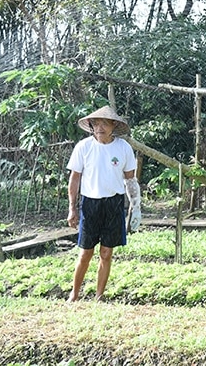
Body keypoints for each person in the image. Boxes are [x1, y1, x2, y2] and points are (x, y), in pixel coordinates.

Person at [66, 105, 141, 302]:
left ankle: (99, 296)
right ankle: (74, 295)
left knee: (106, 253)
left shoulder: (123, 148)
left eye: (105, 123)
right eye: (96, 123)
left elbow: (130, 180)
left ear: (113, 125)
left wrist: (136, 206)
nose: (100, 128)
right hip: (90, 203)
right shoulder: (83, 147)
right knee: (85, 253)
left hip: (113, 204)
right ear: (91, 126)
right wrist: (72, 208)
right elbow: (75, 179)